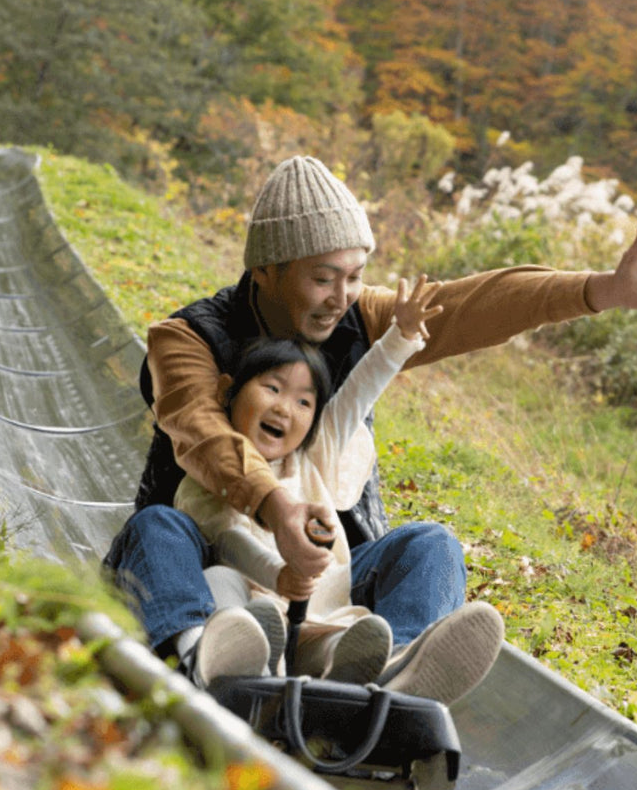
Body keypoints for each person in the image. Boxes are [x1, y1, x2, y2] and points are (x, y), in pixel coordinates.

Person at [104, 154, 637, 702]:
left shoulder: (361, 320)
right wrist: (275, 506)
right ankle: (198, 656)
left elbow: (473, 305)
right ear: (266, 270)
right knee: (155, 527)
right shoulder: (186, 339)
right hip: (202, 561)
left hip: (326, 580)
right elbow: (203, 433)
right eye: (322, 277)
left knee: (432, 545)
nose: (342, 296)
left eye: (354, 276)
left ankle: (386, 671)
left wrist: (600, 289)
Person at [174, 276, 498, 696]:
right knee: (221, 580)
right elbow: (229, 541)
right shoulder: (213, 473)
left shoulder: (314, 456)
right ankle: (255, 666)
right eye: (271, 388)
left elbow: (356, 396)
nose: (283, 408)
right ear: (229, 393)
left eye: (303, 401)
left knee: (433, 542)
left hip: (325, 615)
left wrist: (399, 337)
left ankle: (397, 664)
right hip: (255, 611)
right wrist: (280, 574)